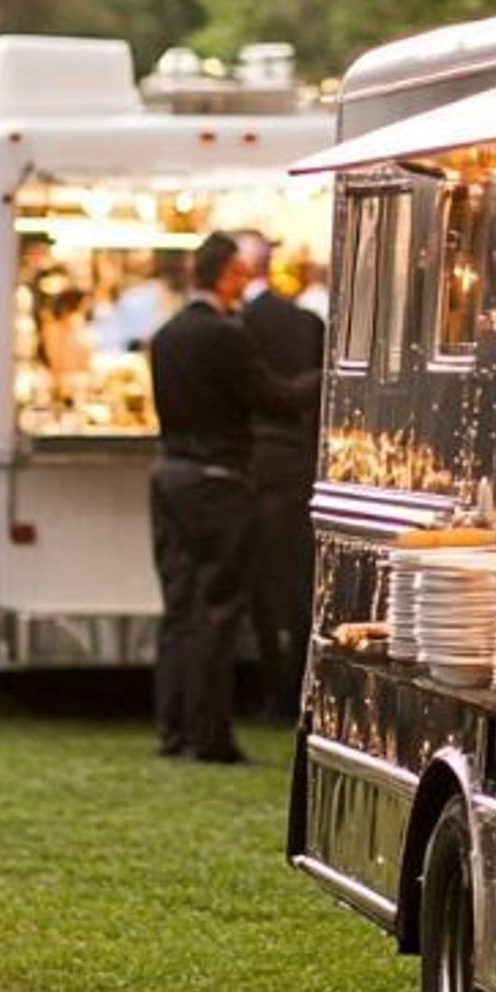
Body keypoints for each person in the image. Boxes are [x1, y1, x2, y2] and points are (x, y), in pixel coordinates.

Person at [147, 230, 320, 765]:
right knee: (217, 607)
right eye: (240, 275)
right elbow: (275, 398)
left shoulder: (167, 334)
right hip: (218, 482)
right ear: (226, 275)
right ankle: (208, 734)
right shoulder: (224, 335)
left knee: (179, 606)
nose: (245, 286)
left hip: (170, 476)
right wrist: (329, 372)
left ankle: (173, 727)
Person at [235, 228, 324, 722]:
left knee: (262, 584)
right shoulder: (306, 322)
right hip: (298, 462)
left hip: (255, 462)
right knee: (297, 583)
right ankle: (296, 684)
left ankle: (273, 686)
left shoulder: (236, 324)